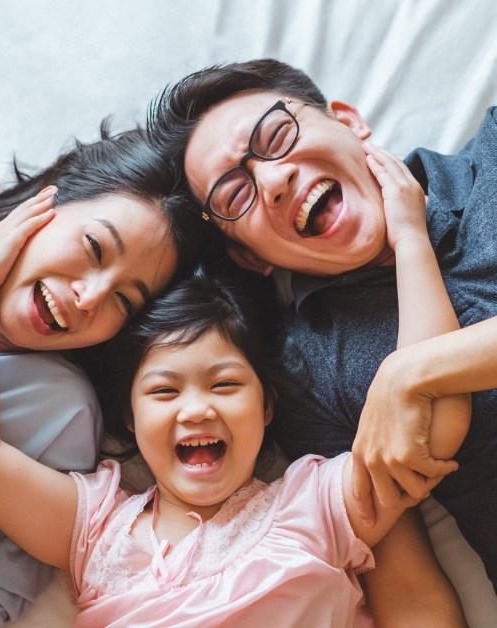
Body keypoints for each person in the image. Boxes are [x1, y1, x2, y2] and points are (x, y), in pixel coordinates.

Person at [0, 147, 467, 626]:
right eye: (164, 392)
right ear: (130, 421)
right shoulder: (94, 528)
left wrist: (411, 241)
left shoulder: (316, 505)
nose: (195, 410)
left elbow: (429, 418)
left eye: (226, 384)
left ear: (268, 407)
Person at [147, 58, 497, 594]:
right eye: (235, 195)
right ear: (249, 258)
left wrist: (409, 373)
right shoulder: (306, 376)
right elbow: (405, 583)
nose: (273, 178)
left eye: (276, 135)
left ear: (348, 120)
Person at [0, 128, 203, 626]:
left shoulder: (61, 411)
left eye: (124, 300)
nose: (90, 297)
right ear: (44, 203)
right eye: (95, 247)